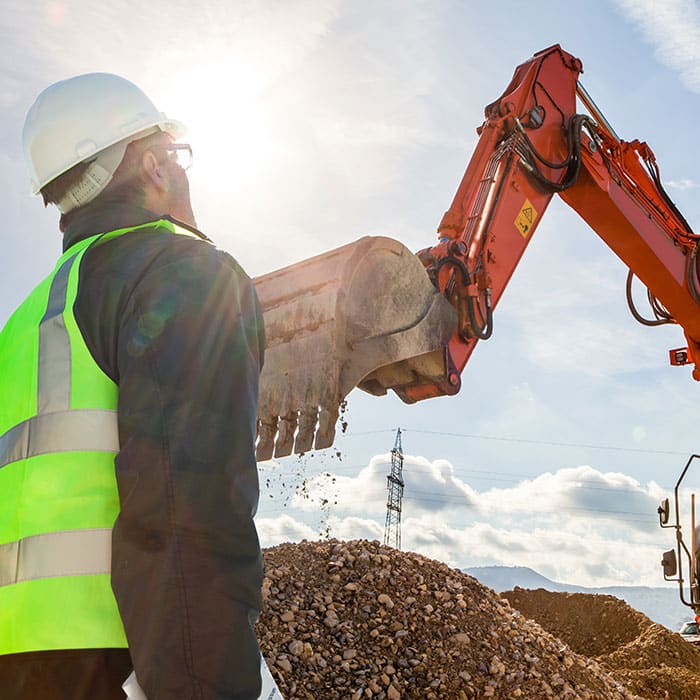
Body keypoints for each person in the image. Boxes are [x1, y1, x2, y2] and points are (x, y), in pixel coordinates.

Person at [0, 73, 265, 699]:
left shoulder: (25, 324)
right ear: (154, 166)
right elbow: (185, 514)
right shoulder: (180, 273)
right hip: (120, 667)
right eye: (178, 155)